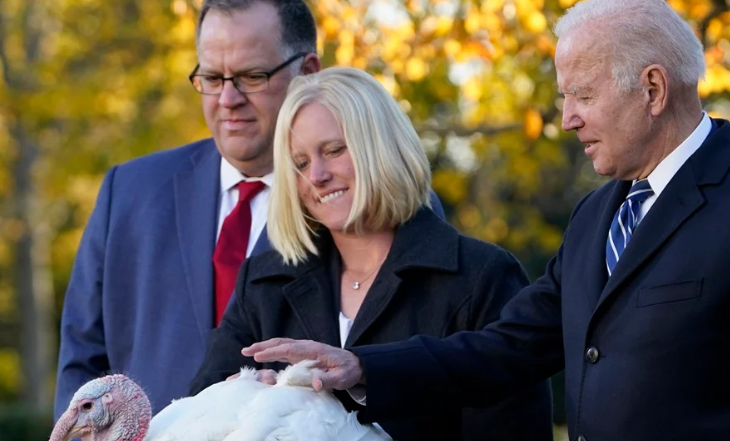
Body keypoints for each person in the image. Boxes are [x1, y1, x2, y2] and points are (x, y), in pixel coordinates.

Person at [240, 1, 730, 440]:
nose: (566, 119)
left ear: (652, 88)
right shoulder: (595, 215)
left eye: (580, 95)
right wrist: (363, 365)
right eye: (562, 98)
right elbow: (505, 348)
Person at [54, 0, 442, 418]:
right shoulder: (129, 192)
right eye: (211, 77)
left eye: (251, 76)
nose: (227, 98)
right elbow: (83, 365)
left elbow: (428, 364)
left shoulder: (370, 203)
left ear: (307, 71)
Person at [189, 67, 553, 441]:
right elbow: (196, 411)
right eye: (299, 164)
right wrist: (235, 396)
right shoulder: (264, 283)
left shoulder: (480, 276)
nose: (316, 175)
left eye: (333, 150)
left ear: (379, 146)